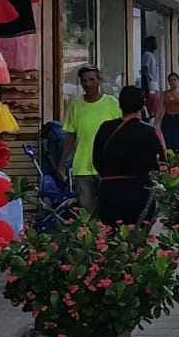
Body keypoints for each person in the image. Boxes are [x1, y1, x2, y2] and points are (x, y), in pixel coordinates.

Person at [92, 86, 166, 227]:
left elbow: (96, 159)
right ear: (142, 105)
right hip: (140, 191)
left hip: (110, 191)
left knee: (110, 239)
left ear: (120, 105)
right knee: (136, 238)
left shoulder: (105, 128)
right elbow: (162, 163)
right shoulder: (149, 132)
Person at [62, 66, 122, 214]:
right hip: (82, 167)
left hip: (107, 166)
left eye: (91, 80)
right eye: (84, 81)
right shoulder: (75, 105)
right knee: (87, 213)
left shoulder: (112, 103)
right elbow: (70, 135)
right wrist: (62, 162)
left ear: (99, 81)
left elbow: (120, 133)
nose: (88, 84)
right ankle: (88, 237)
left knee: (108, 209)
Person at [158, 72, 179, 152]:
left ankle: (177, 162)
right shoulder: (165, 94)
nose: (172, 82)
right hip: (167, 119)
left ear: (178, 81)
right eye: (171, 80)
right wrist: (156, 121)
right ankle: (169, 162)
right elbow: (160, 108)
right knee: (168, 144)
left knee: (177, 142)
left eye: (174, 80)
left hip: (178, 119)